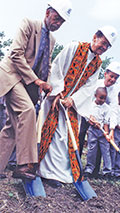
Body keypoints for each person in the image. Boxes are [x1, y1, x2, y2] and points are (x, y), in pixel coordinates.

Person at [0, 0, 72, 180]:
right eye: (56, 18)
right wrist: (37, 81)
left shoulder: (52, 40)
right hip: (11, 75)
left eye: (62, 22)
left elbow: (45, 66)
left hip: (27, 84)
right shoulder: (29, 24)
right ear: (48, 13)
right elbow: (15, 54)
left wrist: (48, 87)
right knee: (27, 111)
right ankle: (24, 165)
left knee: (12, 126)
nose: (58, 24)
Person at [37, 25, 118, 187]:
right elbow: (57, 67)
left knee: (67, 138)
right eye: (102, 43)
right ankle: (45, 172)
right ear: (95, 36)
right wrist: (59, 92)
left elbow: (89, 87)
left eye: (106, 47)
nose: (102, 48)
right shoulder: (74, 47)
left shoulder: (98, 63)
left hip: (72, 106)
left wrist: (72, 100)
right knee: (52, 136)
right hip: (55, 100)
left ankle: (59, 174)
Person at [78, 61, 120, 178]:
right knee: (81, 135)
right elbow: (87, 101)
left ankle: (94, 170)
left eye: (115, 78)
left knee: (100, 143)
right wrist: (89, 117)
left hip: (103, 121)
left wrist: (111, 129)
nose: (112, 79)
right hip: (88, 114)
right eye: (111, 76)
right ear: (106, 73)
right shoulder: (96, 84)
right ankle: (76, 164)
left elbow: (113, 111)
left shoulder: (114, 91)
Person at [84, 87, 111, 177]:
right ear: (95, 96)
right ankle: (89, 169)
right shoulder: (90, 106)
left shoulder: (107, 108)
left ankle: (107, 171)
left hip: (103, 132)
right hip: (93, 131)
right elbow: (88, 118)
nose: (103, 100)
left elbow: (106, 122)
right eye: (101, 98)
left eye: (104, 98)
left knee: (106, 151)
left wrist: (106, 133)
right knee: (91, 149)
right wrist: (92, 122)